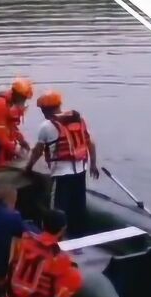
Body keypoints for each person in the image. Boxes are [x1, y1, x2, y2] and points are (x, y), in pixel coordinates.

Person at [25, 91, 99, 238]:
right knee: (78, 206)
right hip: (81, 171)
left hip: (61, 175)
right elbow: (90, 143)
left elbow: (37, 151)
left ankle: (55, 241)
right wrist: (93, 164)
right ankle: (79, 237)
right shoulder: (78, 120)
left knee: (57, 210)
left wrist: (28, 167)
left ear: (45, 110)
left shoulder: (46, 126)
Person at [6, 209, 83, 297]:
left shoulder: (25, 240)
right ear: (63, 229)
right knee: (75, 277)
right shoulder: (60, 256)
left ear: (42, 224)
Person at [0, 78, 33, 168]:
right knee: (0, 162)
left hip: (3, 139)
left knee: (12, 155)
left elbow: (11, 127)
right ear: (16, 94)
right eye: (23, 98)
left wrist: (21, 140)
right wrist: (16, 149)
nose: (24, 100)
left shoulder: (11, 104)